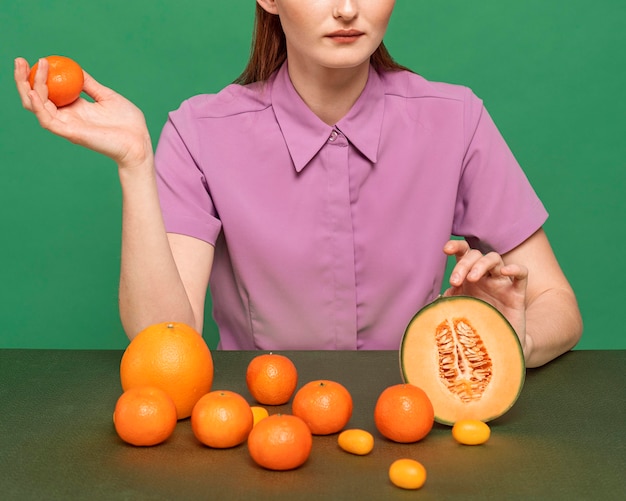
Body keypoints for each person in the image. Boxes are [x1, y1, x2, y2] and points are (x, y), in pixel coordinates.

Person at [15, 0, 582, 367]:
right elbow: (164, 338)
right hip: (259, 428)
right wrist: (136, 163)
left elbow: (558, 304)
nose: (346, 9)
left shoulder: (457, 118)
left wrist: (512, 341)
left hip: (421, 423)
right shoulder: (198, 132)